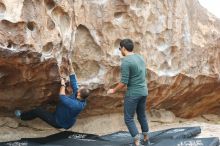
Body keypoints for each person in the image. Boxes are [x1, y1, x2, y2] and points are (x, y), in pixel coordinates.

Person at [15, 63, 90, 129]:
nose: (78, 88)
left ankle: (22, 117)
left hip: (58, 122)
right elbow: (73, 80)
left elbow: (62, 97)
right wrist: (70, 65)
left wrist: (63, 84)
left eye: (79, 89)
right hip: (62, 116)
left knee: (37, 111)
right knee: (50, 107)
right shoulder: (80, 96)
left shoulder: (76, 105)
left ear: (79, 94)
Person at [107, 39, 149, 146]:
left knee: (128, 118)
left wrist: (113, 90)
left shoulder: (126, 61)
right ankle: (146, 138)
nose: (120, 50)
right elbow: (144, 73)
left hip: (133, 93)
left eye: (120, 48)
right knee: (142, 115)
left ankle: (137, 142)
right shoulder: (140, 57)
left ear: (124, 49)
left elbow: (123, 82)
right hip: (144, 91)